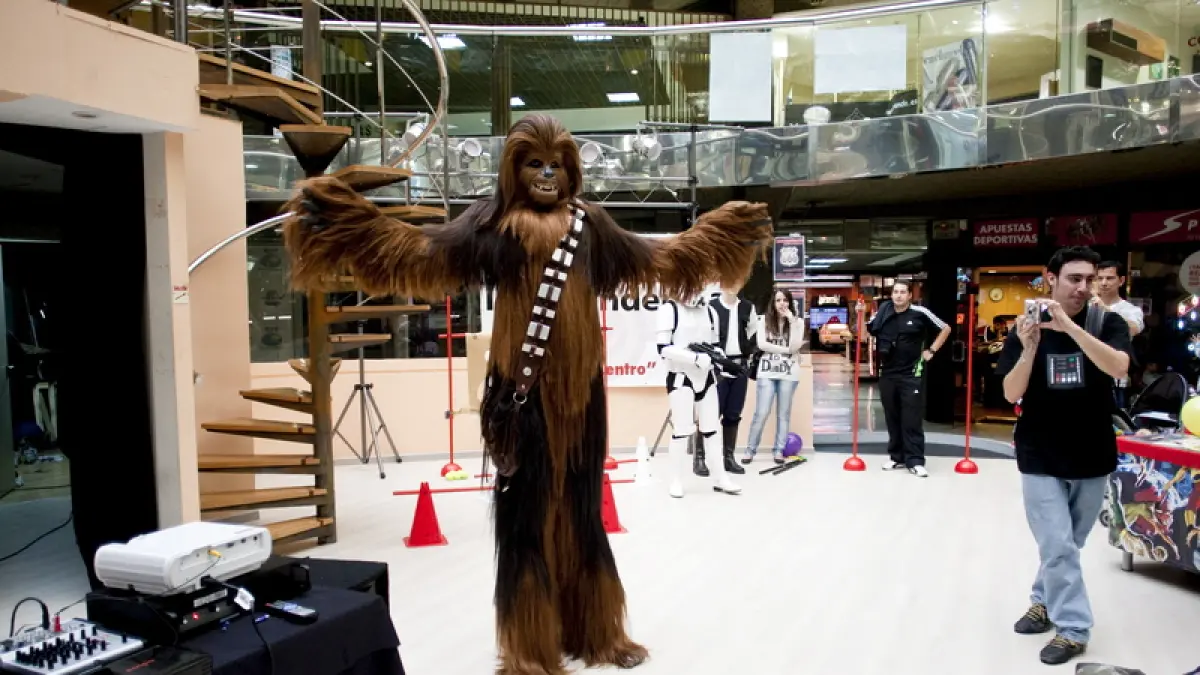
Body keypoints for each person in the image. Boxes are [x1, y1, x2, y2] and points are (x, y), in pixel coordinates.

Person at [995, 246, 1132, 666]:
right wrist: (1029, 348)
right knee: (1056, 543)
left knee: (1070, 543)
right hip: (1038, 451)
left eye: (1090, 279)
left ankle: (1042, 599)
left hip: (1092, 451)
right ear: (1050, 278)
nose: (1083, 287)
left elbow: (1118, 367)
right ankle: (1074, 628)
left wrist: (1070, 328)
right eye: (1074, 278)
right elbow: (1011, 393)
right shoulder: (1025, 327)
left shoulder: (1106, 322)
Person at [656, 292, 742, 498]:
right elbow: (663, 348)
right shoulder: (670, 310)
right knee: (681, 431)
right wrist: (693, 357)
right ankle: (676, 480)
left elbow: (715, 345)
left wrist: (722, 363)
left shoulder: (710, 312)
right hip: (681, 376)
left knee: (712, 430)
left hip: (706, 377)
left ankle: (720, 478)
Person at [866, 281, 950, 477]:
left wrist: (931, 350)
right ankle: (897, 457)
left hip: (911, 373)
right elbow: (869, 329)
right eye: (895, 292)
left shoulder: (919, 313)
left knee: (911, 419)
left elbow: (945, 328)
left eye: (903, 292)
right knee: (892, 417)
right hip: (888, 373)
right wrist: (861, 313)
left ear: (910, 295)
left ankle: (915, 460)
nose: (898, 295)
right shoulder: (883, 312)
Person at [743, 288, 805, 464]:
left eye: (785, 300)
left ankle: (778, 450)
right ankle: (750, 450)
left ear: (790, 302)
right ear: (773, 303)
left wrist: (791, 320)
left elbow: (795, 346)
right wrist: (786, 350)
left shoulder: (798, 322)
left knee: (783, 414)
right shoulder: (764, 320)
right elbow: (762, 344)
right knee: (761, 412)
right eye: (778, 300)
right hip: (767, 371)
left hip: (789, 372)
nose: (782, 304)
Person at [706, 281, 758, 476]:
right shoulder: (712, 307)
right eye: (728, 280)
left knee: (733, 414)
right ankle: (701, 458)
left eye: (736, 280)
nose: (732, 284)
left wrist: (748, 358)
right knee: (711, 414)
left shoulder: (748, 307)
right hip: (718, 366)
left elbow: (753, 335)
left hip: (740, 366)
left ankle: (728, 458)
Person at [1093, 261, 1144, 410]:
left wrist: (1105, 309)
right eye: (1099, 278)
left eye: (1109, 278)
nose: (1104, 283)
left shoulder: (1131, 310)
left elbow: (1133, 329)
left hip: (1116, 379)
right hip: (1089, 373)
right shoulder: (1087, 306)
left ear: (1121, 281)